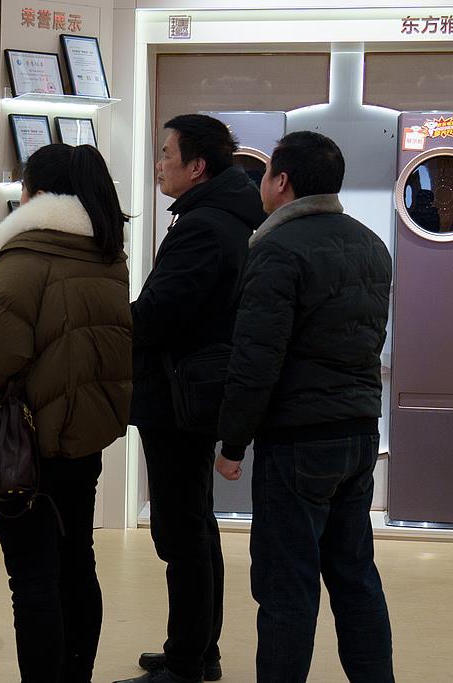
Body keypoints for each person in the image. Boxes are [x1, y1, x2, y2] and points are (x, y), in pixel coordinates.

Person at [216, 131, 394, 682]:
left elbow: (256, 358)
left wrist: (233, 441)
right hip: (359, 430)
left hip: (298, 439)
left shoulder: (276, 249)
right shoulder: (370, 243)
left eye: (266, 174)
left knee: (286, 586)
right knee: (355, 576)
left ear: (282, 182)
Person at [0, 143, 132, 683]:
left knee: (33, 580)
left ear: (34, 193)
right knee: (78, 564)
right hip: (85, 439)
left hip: (25, 446)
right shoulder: (106, 253)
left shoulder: (25, 255)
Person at [117, 114, 265, 683]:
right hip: (195, 392)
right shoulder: (225, 216)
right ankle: (200, 650)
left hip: (179, 396)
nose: (159, 164)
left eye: (166, 153)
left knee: (182, 534)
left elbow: (161, 312)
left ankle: (186, 661)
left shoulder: (204, 226)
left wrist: (109, 323)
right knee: (196, 526)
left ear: (197, 165)